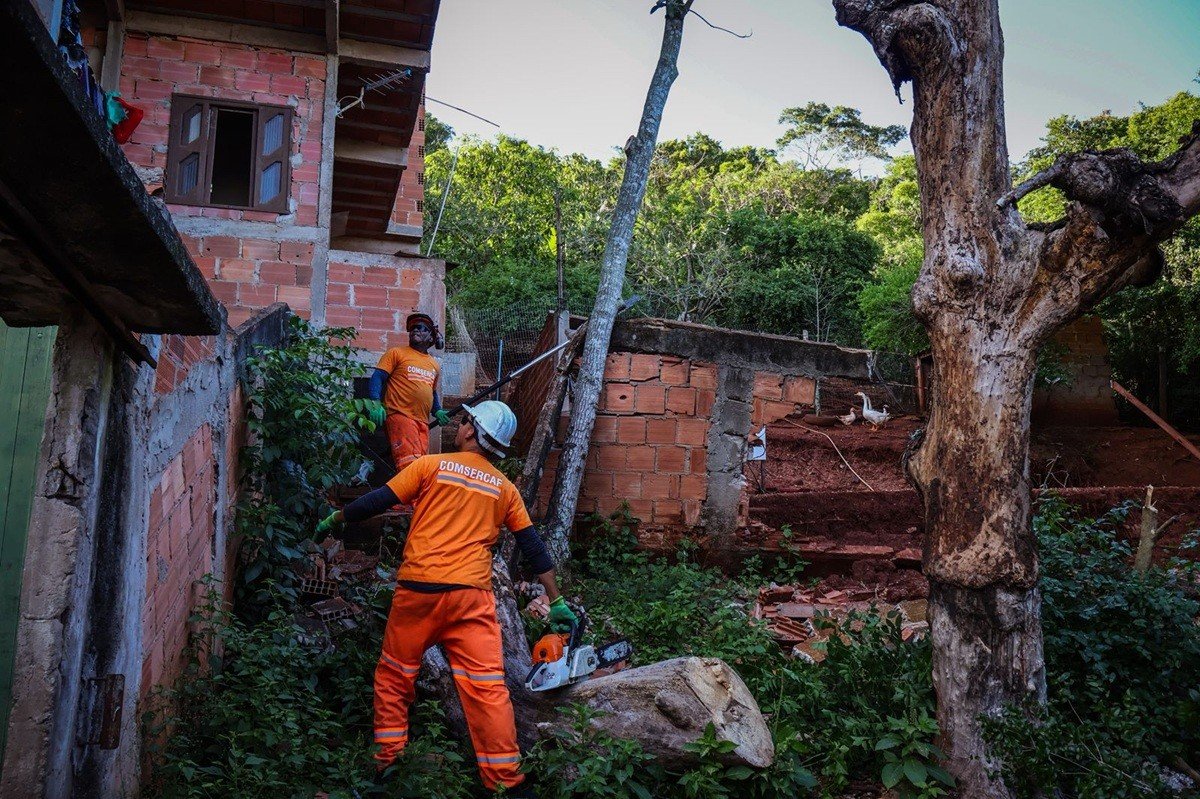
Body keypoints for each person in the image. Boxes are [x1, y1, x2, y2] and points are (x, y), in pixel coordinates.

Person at [316, 401, 576, 798]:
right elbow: (534, 548)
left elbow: (376, 502)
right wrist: (556, 602)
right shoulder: (505, 489)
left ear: (471, 431)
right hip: (471, 598)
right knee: (487, 688)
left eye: (465, 420)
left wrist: (335, 518)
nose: (461, 424)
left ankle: (389, 765)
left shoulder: (430, 466)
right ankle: (507, 783)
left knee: (395, 676)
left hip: (419, 592)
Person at [365, 312, 452, 470]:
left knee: (420, 465)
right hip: (400, 414)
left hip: (422, 422)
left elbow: (431, 392)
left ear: (431, 338)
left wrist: (437, 410)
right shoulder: (396, 353)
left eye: (422, 328)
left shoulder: (434, 365)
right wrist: (375, 403)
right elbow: (377, 377)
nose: (415, 330)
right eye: (413, 328)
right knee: (410, 466)